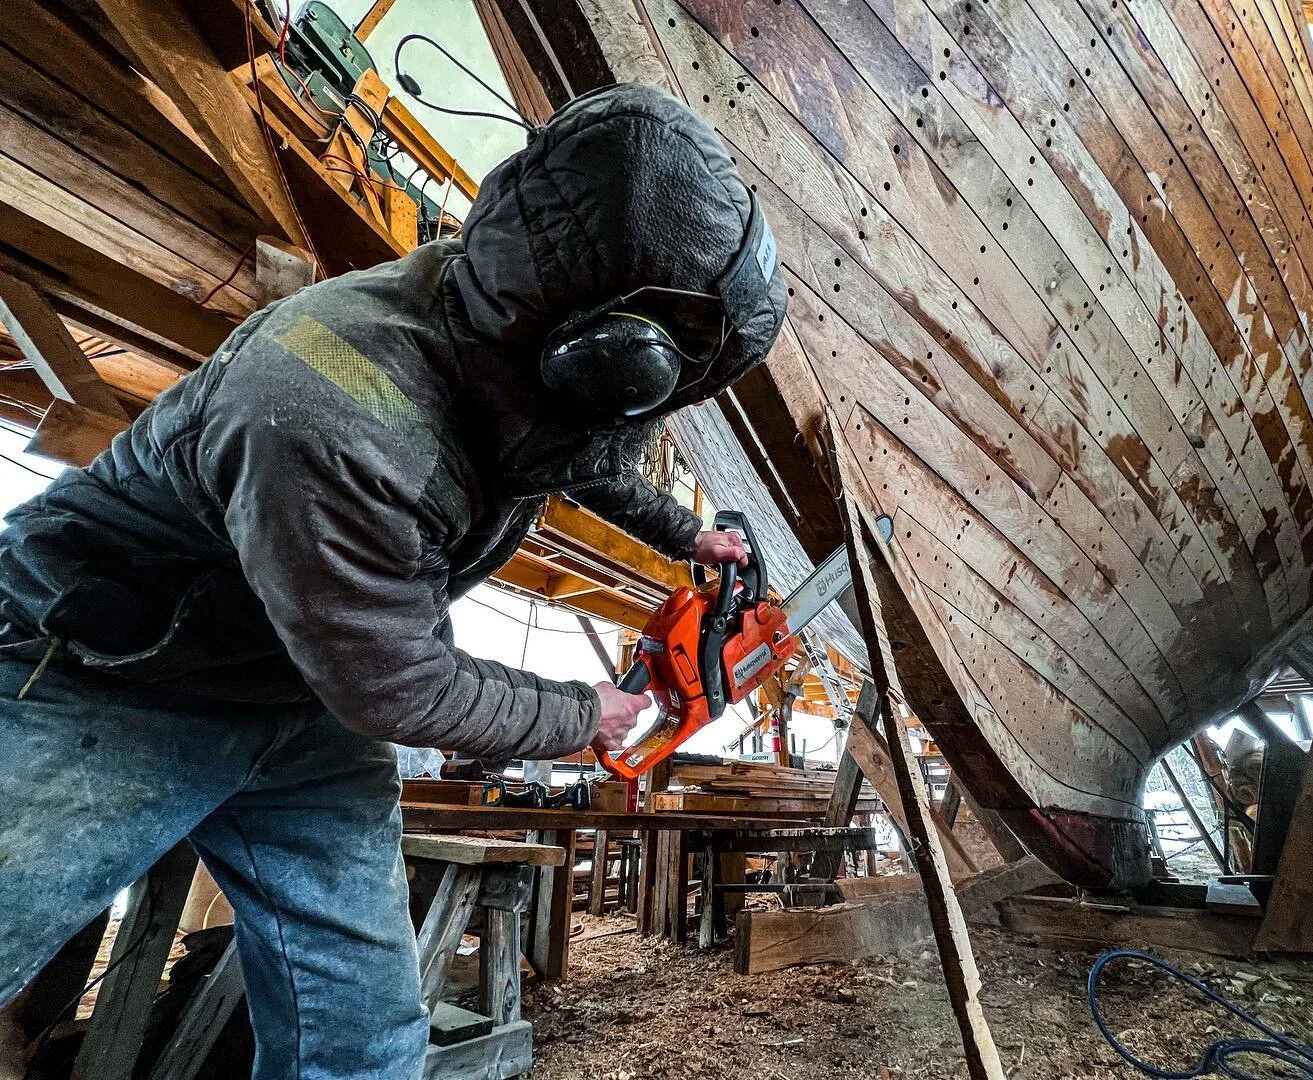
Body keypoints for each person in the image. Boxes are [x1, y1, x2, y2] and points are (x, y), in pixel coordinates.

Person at [0, 83, 785, 1077]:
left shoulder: (501, 338)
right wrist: (578, 713)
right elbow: (394, 682)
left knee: (363, 1038)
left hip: (297, 701)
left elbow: (568, 455)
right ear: (596, 354)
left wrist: (686, 538)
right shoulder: (332, 406)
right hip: (109, 669)